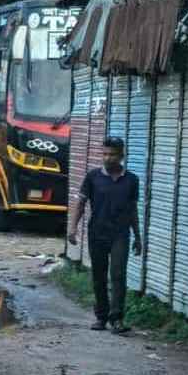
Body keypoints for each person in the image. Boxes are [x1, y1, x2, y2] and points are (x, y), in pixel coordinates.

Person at [69, 136, 143, 333]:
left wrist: (138, 236)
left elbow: (133, 210)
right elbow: (81, 204)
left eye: (112, 154)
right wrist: (73, 228)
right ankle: (101, 317)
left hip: (120, 234)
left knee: (118, 275)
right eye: (104, 154)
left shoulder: (132, 180)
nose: (107, 158)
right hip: (97, 234)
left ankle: (117, 319)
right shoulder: (93, 177)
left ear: (121, 156)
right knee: (99, 276)